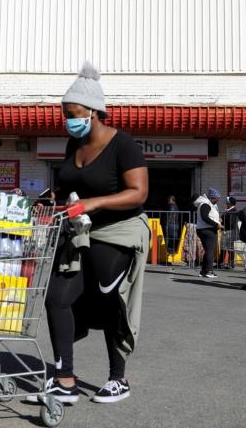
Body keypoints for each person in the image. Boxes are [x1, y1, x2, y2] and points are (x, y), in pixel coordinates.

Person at [35, 62, 149, 405]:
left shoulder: (123, 144)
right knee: (56, 298)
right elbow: (67, 186)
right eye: (64, 114)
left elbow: (139, 192)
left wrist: (93, 203)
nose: (67, 120)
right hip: (79, 233)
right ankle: (64, 379)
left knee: (109, 299)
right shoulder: (73, 146)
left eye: (72, 113)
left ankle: (118, 378)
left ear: (94, 113)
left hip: (119, 232)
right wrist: (49, 201)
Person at [193, 188, 223, 278]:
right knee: (210, 251)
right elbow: (205, 217)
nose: (217, 201)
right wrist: (216, 224)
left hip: (204, 229)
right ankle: (209, 271)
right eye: (217, 199)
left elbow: (208, 216)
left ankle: (203, 271)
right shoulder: (205, 204)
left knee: (208, 251)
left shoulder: (206, 204)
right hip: (208, 230)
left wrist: (217, 220)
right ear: (212, 198)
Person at [219, 196, 238, 268]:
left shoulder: (233, 210)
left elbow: (231, 223)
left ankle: (230, 263)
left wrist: (223, 224)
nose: (226, 203)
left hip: (229, 231)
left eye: (227, 202)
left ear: (230, 203)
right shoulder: (228, 210)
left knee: (229, 248)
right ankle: (221, 263)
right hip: (226, 231)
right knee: (224, 247)